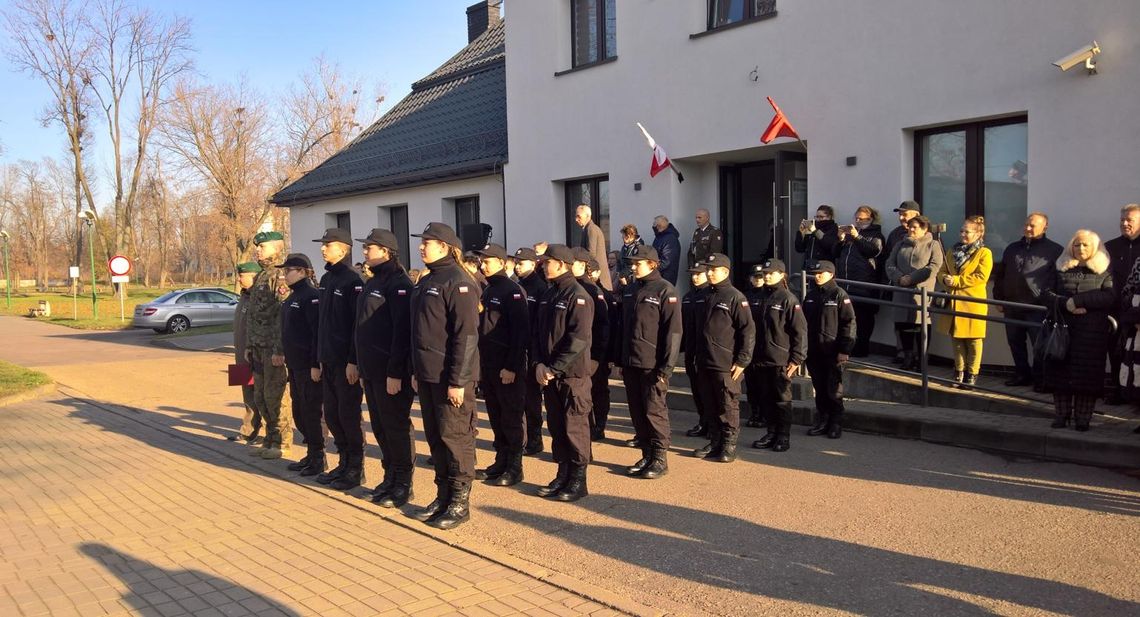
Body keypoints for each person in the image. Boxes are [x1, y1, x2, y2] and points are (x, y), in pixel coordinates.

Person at [409, 222, 481, 530]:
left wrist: (458, 381)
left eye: (428, 242)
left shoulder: (458, 280)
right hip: (427, 374)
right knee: (437, 438)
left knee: (456, 439)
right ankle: (442, 495)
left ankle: (459, 502)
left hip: (450, 378)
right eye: (422, 242)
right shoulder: (428, 279)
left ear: (446, 247)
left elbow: (466, 337)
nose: (422, 247)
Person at [354, 229, 417, 507]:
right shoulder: (372, 281)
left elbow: (402, 332)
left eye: (370, 247)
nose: (365, 251)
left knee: (396, 427)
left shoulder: (399, 283)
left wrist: (395, 372)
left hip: (390, 372)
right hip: (371, 369)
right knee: (380, 426)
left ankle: (404, 483)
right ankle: (389, 476)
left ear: (386, 251)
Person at [533, 244, 595, 502]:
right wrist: (538, 363)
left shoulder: (578, 296)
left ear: (562, 264)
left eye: (549, 262)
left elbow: (577, 340)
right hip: (549, 374)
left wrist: (554, 368)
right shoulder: (550, 294)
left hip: (571, 375)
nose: (544, 265)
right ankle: (563, 473)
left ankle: (578, 480)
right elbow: (537, 333)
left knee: (574, 427)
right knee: (558, 426)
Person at [1040, 230, 1114, 431]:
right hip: (1063, 331)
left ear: (1095, 248)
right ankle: (1061, 416)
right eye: (1077, 245)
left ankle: (1083, 419)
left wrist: (1078, 301)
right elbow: (1046, 293)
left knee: (1086, 379)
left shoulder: (1104, 271)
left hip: (1091, 335)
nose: (1080, 249)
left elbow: (1109, 297)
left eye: (1085, 245)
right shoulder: (1060, 268)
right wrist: (1066, 304)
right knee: (1060, 376)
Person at [619, 245, 682, 478]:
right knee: (637, 411)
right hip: (631, 362)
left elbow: (673, 333)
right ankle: (646, 454)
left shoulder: (666, 291)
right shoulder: (632, 289)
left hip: (652, 364)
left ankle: (659, 458)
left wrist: (666, 367)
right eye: (632, 263)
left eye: (638, 263)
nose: (633, 267)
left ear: (652, 264)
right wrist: (620, 359)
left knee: (654, 411)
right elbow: (624, 328)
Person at [311, 228, 365, 491]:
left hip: (346, 363)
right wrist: (320, 357)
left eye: (327, 245)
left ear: (343, 250)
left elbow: (357, 325)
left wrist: (353, 360)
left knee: (348, 415)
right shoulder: (326, 278)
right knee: (332, 414)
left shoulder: (352, 280)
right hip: (329, 360)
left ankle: (355, 468)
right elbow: (324, 323)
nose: (323, 248)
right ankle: (343, 463)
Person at [473, 243, 530, 488]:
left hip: (507, 366)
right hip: (489, 364)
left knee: (511, 416)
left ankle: (515, 467)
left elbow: (520, 334)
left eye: (487, 261)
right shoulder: (488, 289)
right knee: (496, 416)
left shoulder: (512, 291)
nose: (482, 265)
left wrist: (512, 367)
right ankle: (501, 460)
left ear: (500, 263)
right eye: (481, 261)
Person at [692, 253, 755, 462]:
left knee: (727, 405)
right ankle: (715, 440)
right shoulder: (706, 295)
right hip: (704, 360)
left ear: (725, 272)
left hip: (726, 363)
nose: (709, 273)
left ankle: (729, 445)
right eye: (707, 269)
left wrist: (742, 360)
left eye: (713, 269)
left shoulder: (735, 297)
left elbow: (747, 331)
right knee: (709, 404)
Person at [991, 212, 1063, 388]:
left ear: (1045, 227)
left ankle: (1041, 379)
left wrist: (1054, 304)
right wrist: (999, 298)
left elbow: (1059, 279)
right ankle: (1022, 374)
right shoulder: (1012, 248)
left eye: (1033, 225)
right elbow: (1000, 275)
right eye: (1026, 225)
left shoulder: (1054, 250)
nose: (1028, 228)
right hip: (1012, 305)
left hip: (1038, 307)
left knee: (1039, 345)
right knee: (1015, 343)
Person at [749, 259, 807, 452]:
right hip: (760, 357)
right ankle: (771, 432)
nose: (766, 277)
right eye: (765, 273)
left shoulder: (788, 299)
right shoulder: (761, 297)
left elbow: (799, 330)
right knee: (765, 398)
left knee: (781, 400)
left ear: (782, 275)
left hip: (780, 359)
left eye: (770, 273)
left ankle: (783, 436)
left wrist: (797, 358)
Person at [245, 231, 291, 460]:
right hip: (258, 347)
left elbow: (282, 317)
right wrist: (249, 344)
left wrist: (279, 349)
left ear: (276, 248)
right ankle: (270, 438)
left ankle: (282, 441)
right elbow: (254, 315)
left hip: (273, 349)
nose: (258, 250)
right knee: (261, 396)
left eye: (263, 247)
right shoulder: (261, 276)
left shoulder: (280, 276)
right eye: (258, 247)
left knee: (276, 397)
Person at [279, 254, 325, 476]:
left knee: (310, 411)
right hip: (295, 365)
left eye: (289, 271)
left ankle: (318, 457)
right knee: (299, 411)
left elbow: (316, 333)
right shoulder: (292, 297)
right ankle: (310, 453)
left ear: (303, 271)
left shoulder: (310, 296)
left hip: (308, 366)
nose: (285, 275)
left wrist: (315, 363)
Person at [936, 216, 993, 389]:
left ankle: (972, 373)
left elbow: (981, 276)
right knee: (957, 339)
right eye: (961, 231)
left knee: (974, 340)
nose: (963, 234)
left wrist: (957, 281)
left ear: (978, 234)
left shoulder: (984, 252)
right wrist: (944, 279)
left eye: (967, 232)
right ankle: (959, 371)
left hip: (972, 302)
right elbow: (942, 270)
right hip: (954, 301)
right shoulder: (953, 250)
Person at [803, 261, 856, 439]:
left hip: (832, 351)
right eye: (815, 273)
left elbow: (849, 323)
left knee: (833, 389)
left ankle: (836, 423)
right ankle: (823, 421)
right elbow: (803, 324)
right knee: (819, 387)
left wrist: (844, 349)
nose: (817, 276)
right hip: (814, 350)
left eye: (821, 273)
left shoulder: (839, 295)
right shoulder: (810, 296)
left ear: (831, 274)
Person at [884, 215, 943, 371]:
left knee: (921, 324)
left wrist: (912, 278)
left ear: (924, 229)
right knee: (903, 324)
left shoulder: (933, 244)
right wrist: (899, 277)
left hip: (921, 291)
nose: (910, 229)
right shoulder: (900, 244)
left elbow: (934, 266)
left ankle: (922, 360)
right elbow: (889, 263)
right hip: (902, 290)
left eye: (914, 227)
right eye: (909, 226)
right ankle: (908, 356)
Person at [571, 248, 611, 442]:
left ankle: (598, 426)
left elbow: (603, 326)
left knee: (598, 391)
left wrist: (597, 357)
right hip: (574, 355)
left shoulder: (593, 290)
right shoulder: (567, 287)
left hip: (593, 354)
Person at [832, 206, 883, 357]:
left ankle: (862, 348)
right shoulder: (850, 235)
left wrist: (856, 237)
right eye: (857, 218)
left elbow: (873, 251)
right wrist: (840, 239)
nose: (858, 221)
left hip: (864, 284)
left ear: (871, 219)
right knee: (847, 318)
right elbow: (835, 253)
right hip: (846, 284)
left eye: (862, 219)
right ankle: (849, 347)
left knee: (864, 319)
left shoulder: (876, 235)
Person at [1102, 204, 1140, 404]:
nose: (1125, 224)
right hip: (1116, 311)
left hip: (1137, 313)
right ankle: (1118, 391)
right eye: (1122, 220)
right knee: (1116, 351)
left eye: (1130, 220)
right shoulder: (1110, 247)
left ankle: (1135, 396)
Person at [514, 247, 549, 455]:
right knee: (519, 399)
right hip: (518, 348)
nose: (518, 266)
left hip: (532, 349)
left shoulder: (540, 288)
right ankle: (523, 438)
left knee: (532, 400)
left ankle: (535, 439)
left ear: (532, 263)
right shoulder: (518, 286)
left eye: (521, 263)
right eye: (516, 263)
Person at [228, 261, 263, 444]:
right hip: (240, 356)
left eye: (242, 276)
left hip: (256, 356)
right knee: (247, 396)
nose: (239, 279)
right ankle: (248, 430)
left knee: (261, 396)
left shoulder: (260, 297)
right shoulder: (243, 296)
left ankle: (265, 433)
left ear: (254, 276)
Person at [884, 201, 923, 363]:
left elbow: (931, 263)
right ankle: (903, 353)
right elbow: (888, 260)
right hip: (898, 285)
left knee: (918, 323)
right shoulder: (895, 234)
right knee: (900, 322)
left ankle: (919, 358)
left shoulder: (926, 234)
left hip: (919, 287)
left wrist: (912, 278)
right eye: (900, 214)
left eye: (905, 214)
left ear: (916, 215)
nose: (901, 218)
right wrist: (894, 279)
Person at [589, 254, 621, 441]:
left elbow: (610, 327)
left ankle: (599, 425)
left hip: (600, 353)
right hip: (585, 352)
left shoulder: (603, 296)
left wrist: (610, 357)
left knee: (599, 391)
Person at [681, 264, 712, 438]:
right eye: (693, 274)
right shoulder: (687, 297)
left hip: (706, 350)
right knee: (696, 389)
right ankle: (703, 420)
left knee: (708, 390)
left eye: (699, 274)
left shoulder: (710, 295)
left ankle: (711, 423)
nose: (695, 277)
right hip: (691, 349)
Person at [742, 265, 768, 429]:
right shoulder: (745, 296)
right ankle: (755, 412)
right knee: (751, 382)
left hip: (764, 345)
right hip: (749, 345)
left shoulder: (770, 296)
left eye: (760, 276)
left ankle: (765, 414)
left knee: (764, 383)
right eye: (755, 276)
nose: (758, 279)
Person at [575, 205, 613, 291]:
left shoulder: (591, 229)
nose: (576, 219)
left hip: (596, 277)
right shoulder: (588, 229)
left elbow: (591, 254)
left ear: (588, 216)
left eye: (579, 216)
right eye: (576, 216)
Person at [651, 215, 682, 286]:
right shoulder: (660, 237)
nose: (653, 227)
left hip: (665, 277)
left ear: (658, 226)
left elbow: (666, 261)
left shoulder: (670, 239)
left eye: (654, 225)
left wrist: (653, 270)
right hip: (660, 276)